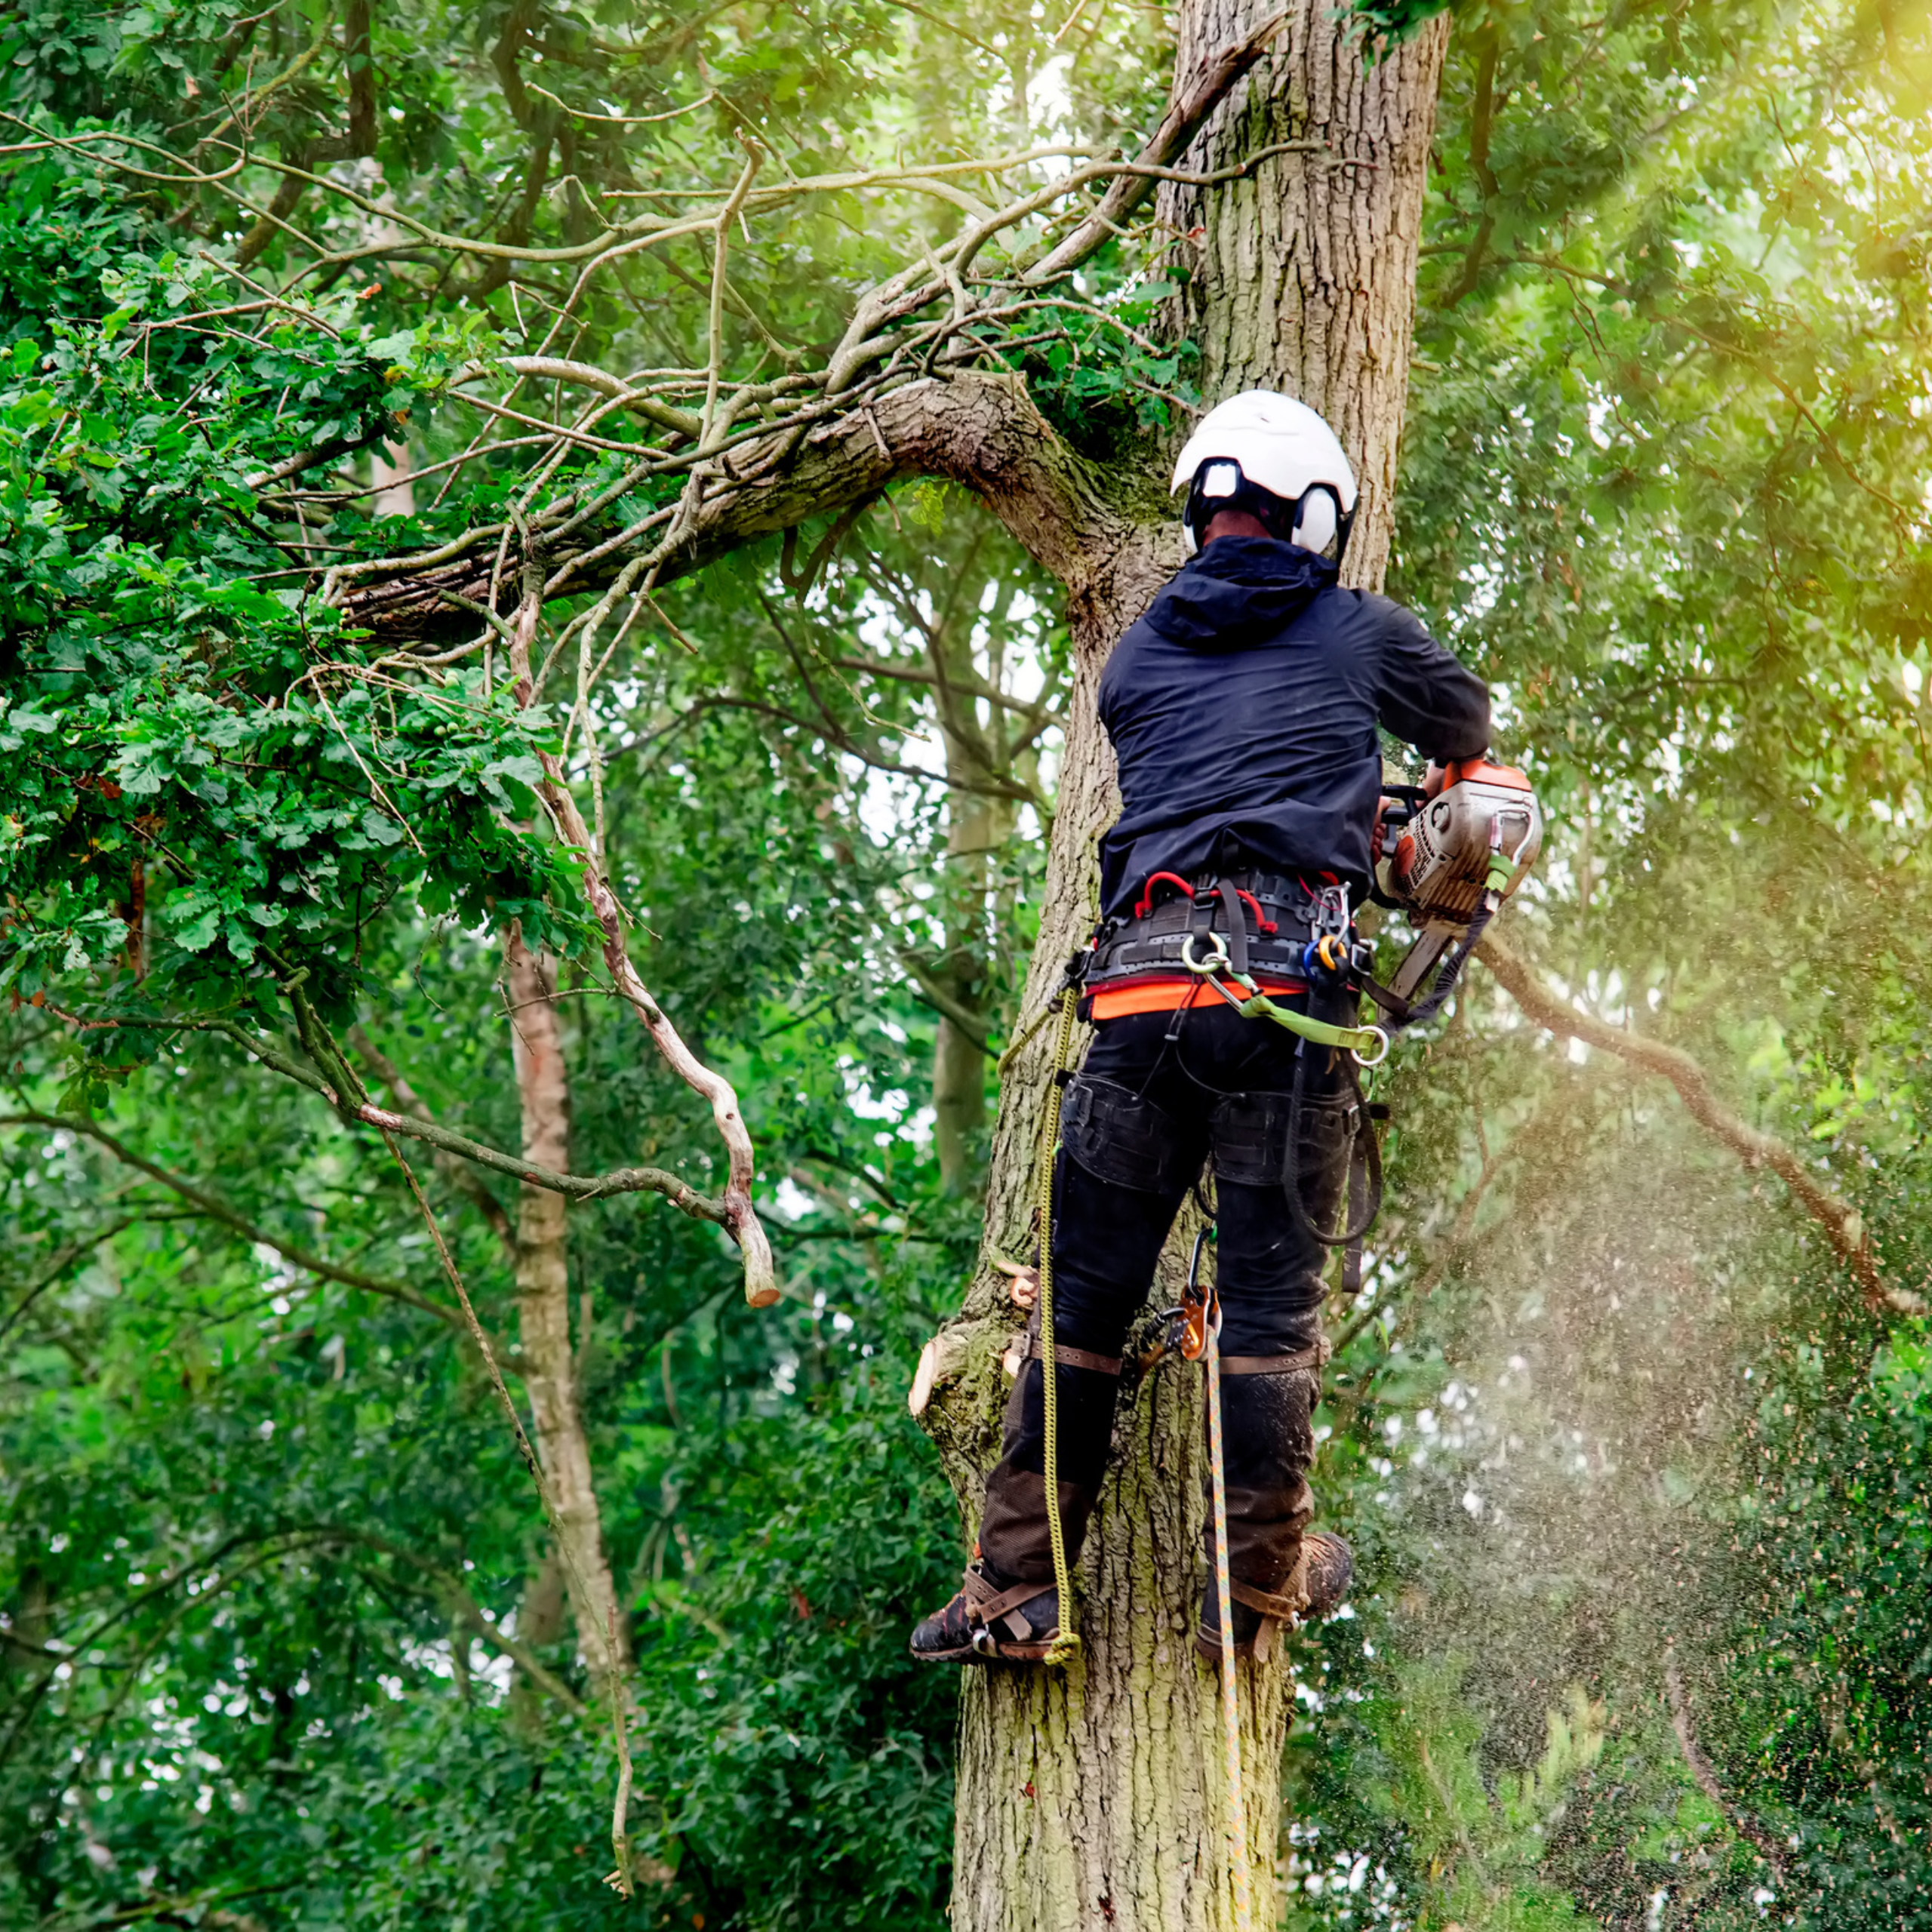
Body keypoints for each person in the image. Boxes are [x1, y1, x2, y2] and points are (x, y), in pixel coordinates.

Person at [911, 390, 1493, 1666]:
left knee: (1081, 1309)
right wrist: (1404, 828)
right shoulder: (1356, 631)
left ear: (1199, 509)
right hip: (1284, 1008)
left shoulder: (1135, 656)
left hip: (1137, 1003)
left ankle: (1018, 1590)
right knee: (1274, 1309)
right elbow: (1468, 728)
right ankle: (1251, 1586)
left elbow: (1218, 763)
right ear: (1320, 514)